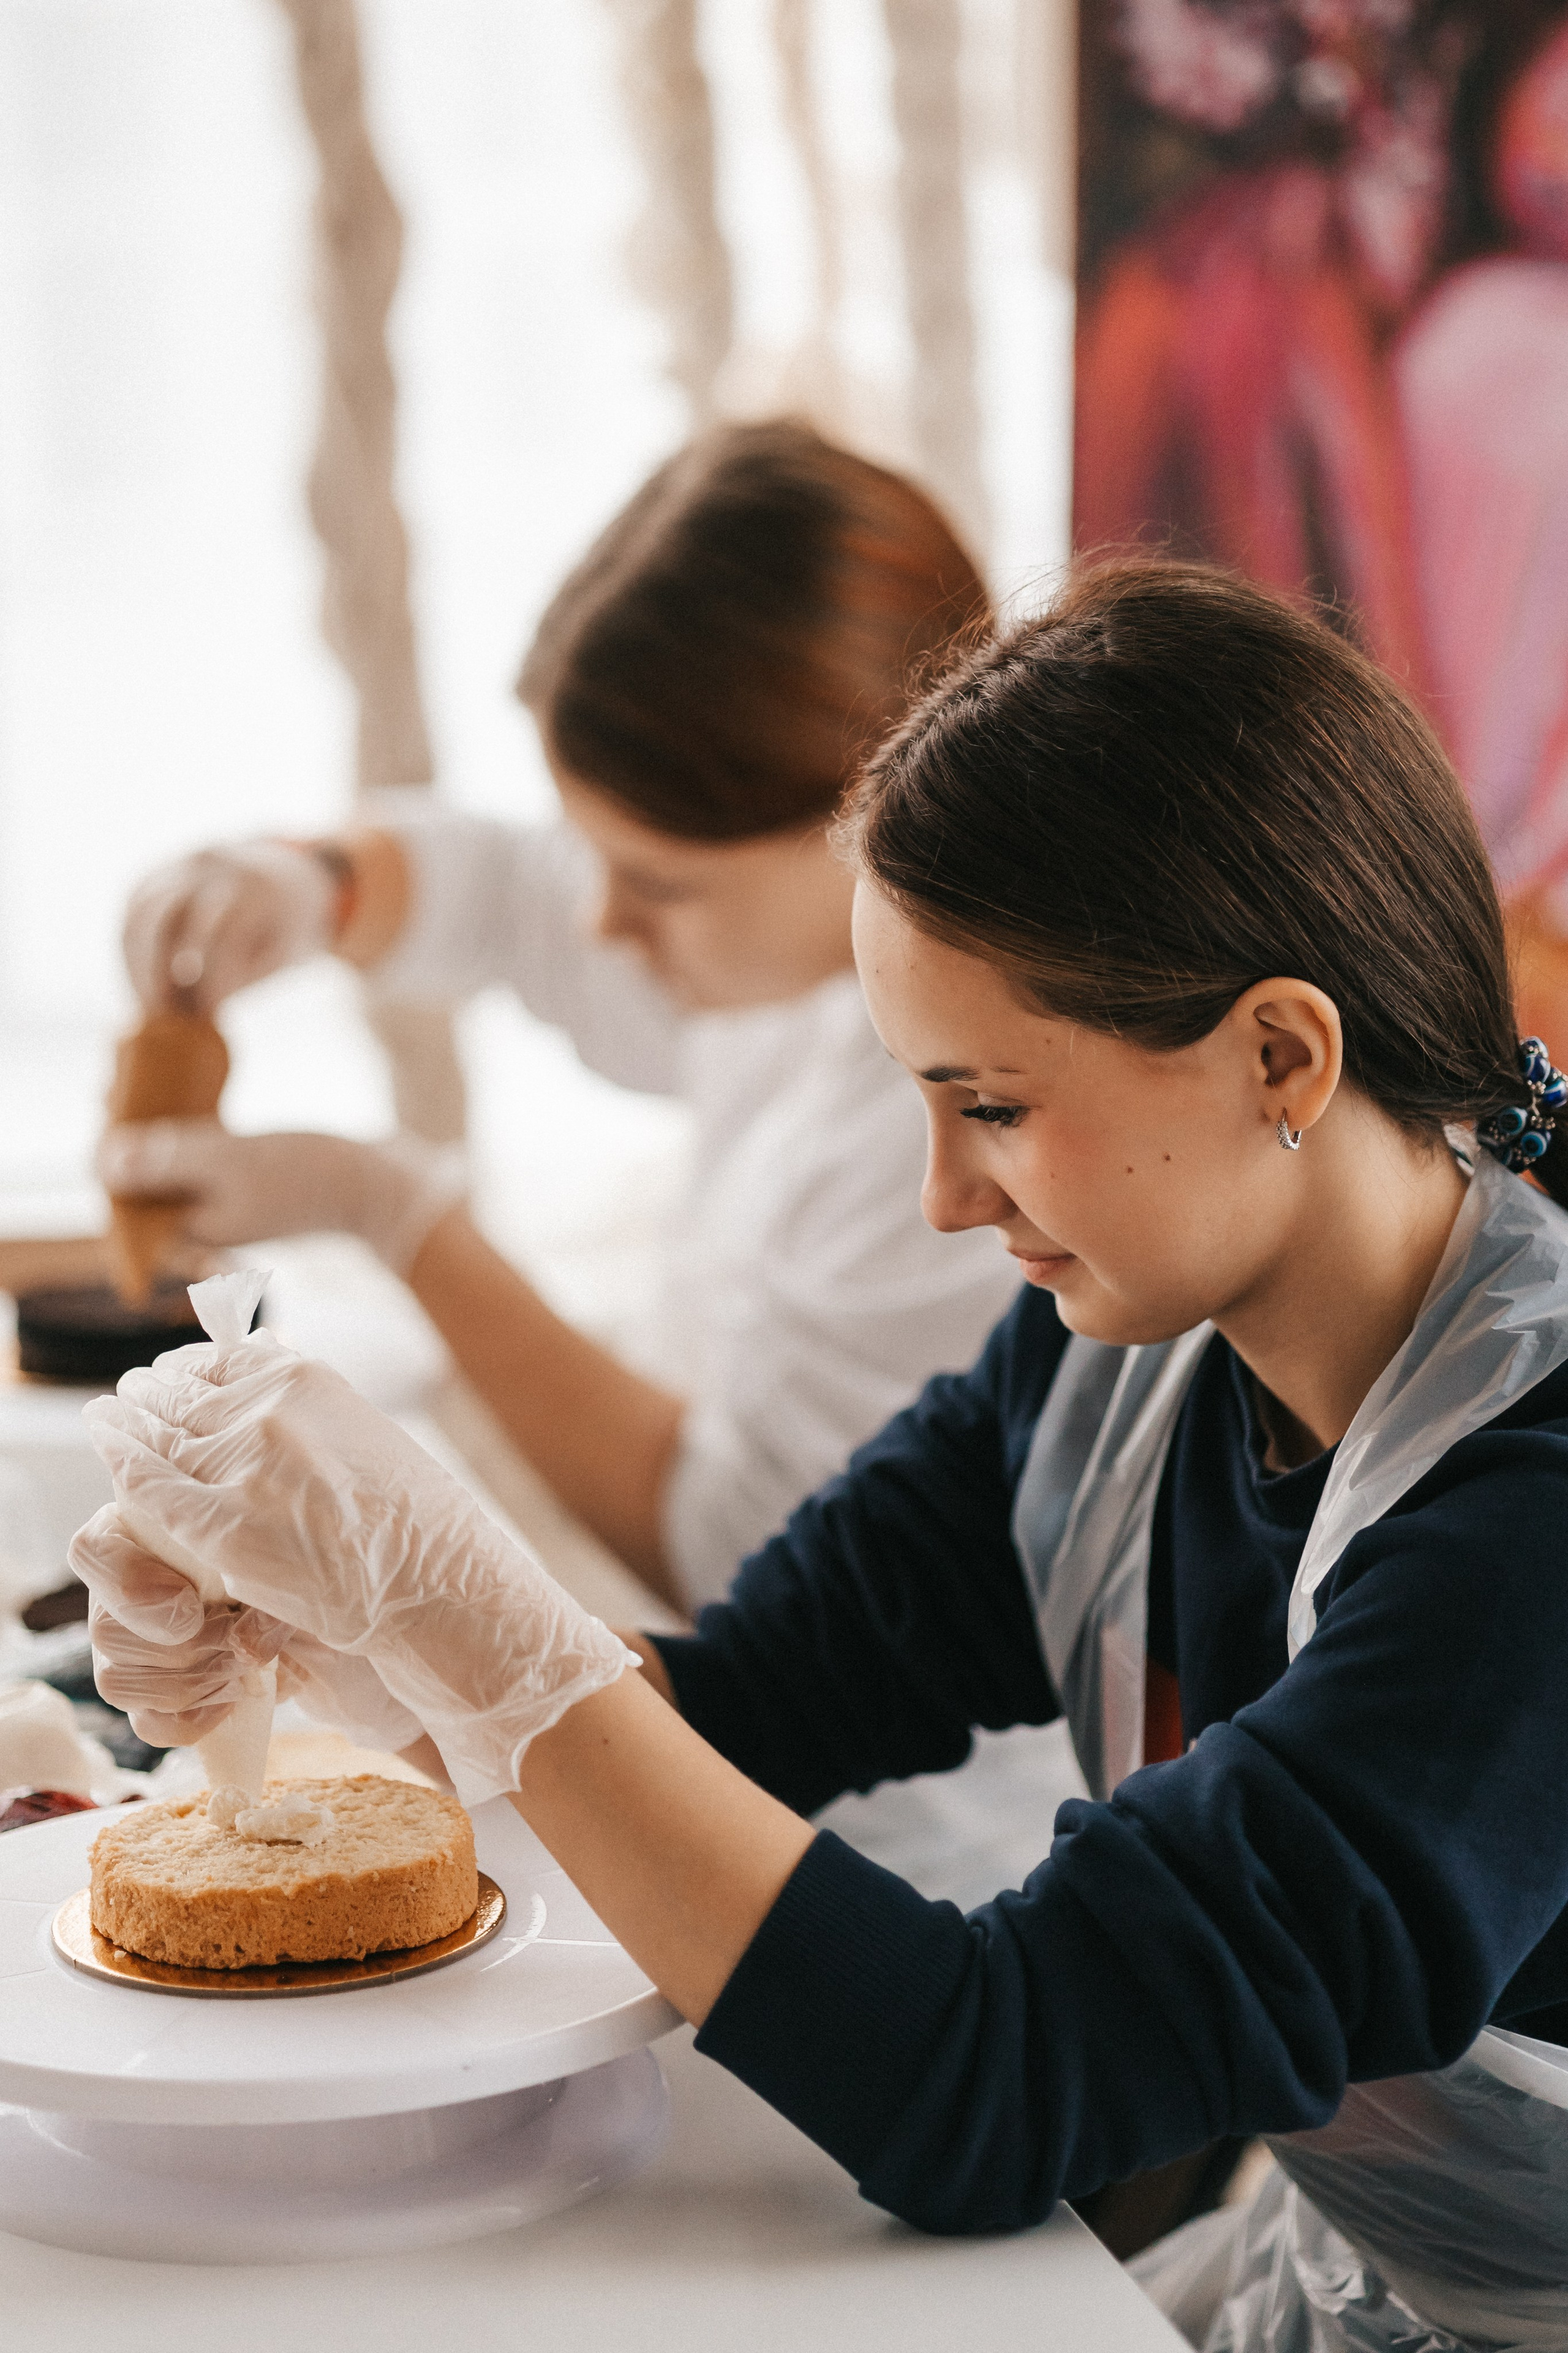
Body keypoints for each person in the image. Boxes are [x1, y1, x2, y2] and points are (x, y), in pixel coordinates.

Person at [77, 560, 1568, 2350]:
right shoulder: (1118, 1368)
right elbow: (751, 1704)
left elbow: (1004, 2082)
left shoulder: (1528, 1530)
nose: (949, 1201)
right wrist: (343, 1625)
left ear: (1278, 1053)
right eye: (922, 1104)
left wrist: (460, 1600)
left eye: (994, 1108)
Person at [104, 421, 1019, 1610]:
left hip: (884, 1790)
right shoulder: (786, 962)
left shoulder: (953, 1144)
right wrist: (311, 884)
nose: (599, 922)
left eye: (656, 884)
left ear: (873, 812)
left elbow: (733, 1547)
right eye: (598, 857)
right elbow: (506, 892)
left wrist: (394, 1217)